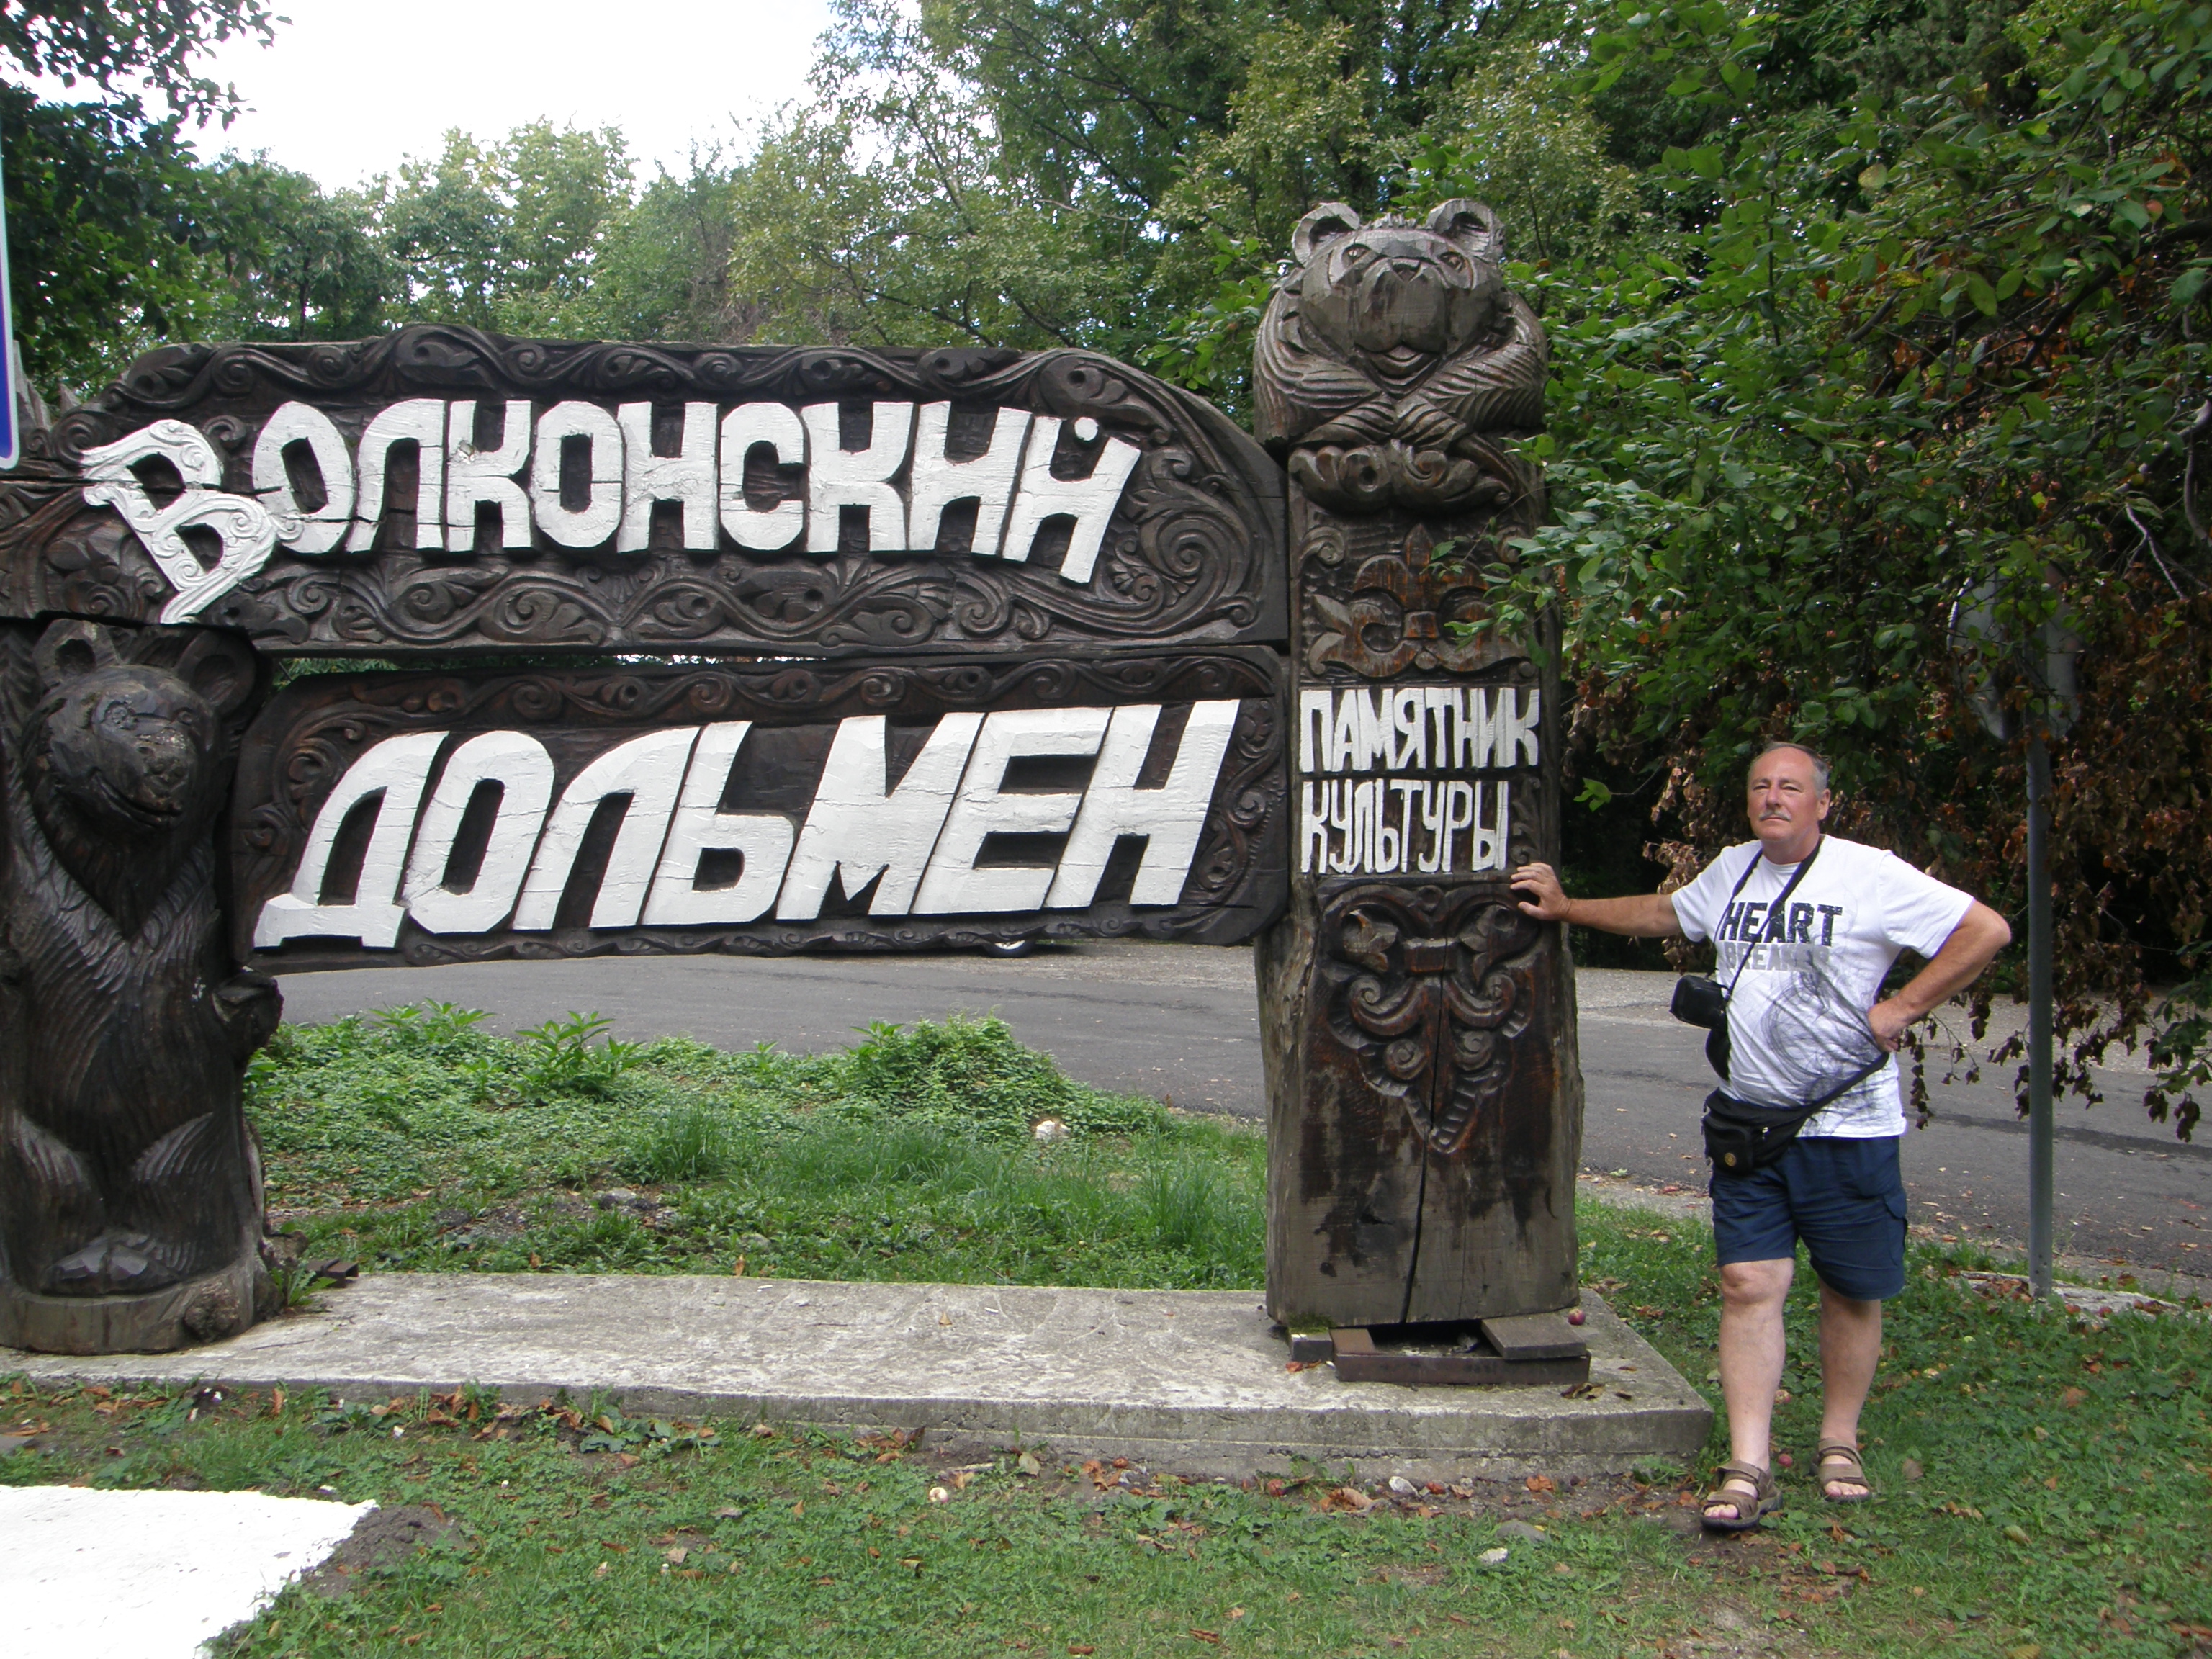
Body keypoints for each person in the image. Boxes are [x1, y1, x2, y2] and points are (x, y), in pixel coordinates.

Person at [1510, 741, 2010, 1531]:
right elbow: (1668, 913)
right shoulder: (1735, 869)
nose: (1774, 797)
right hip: (1752, 1118)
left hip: (1848, 1124)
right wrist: (1570, 909)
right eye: (1761, 787)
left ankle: (1838, 1440)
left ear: (1823, 802)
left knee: (1850, 1287)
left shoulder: (1871, 875)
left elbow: (1985, 930)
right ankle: (1749, 1462)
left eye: (1791, 787)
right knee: (1749, 1284)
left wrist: (1906, 1006)